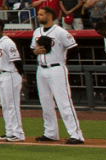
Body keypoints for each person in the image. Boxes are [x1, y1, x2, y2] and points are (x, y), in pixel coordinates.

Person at [29, 8, 84, 144]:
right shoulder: (37, 32)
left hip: (56, 68)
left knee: (64, 102)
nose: (38, 16)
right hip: (41, 69)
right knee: (46, 103)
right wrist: (35, 51)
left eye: (41, 14)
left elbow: (74, 47)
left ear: (49, 16)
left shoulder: (60, 31)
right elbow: (32, 50)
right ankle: (50, 133)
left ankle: (76, 135)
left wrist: (62, 60)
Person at [0, 18, 25, 142]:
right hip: (0, 75)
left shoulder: (8, 42)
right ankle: (9, 132)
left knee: (12, 105)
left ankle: (18, 133)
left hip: (10, 74)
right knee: (6, 106)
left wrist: (21, 75)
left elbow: (17, 60)